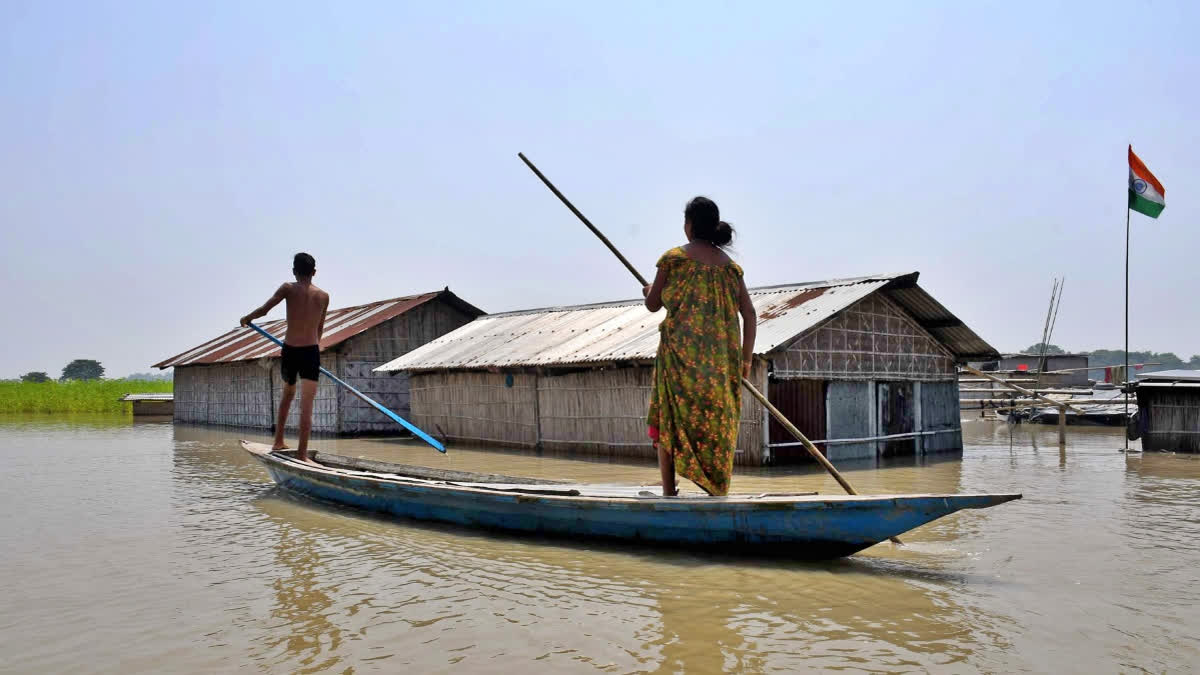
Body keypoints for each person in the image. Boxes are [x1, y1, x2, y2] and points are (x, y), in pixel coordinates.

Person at [643, 197, 756, 496]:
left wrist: (650, 291)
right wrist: (746, 363)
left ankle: (669, 492)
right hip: (720, 367)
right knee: (716, 427)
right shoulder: (731, 269)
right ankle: (715, 491)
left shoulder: (674, 259)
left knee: (669, 421)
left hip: (679, 362)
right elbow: (750, 315)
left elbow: (653, 304)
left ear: (689, 225)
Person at [240, 252, 330, 463]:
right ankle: (302, 454)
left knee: (287, 396)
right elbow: (320, 328)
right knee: (307, 405)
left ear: (293, 271)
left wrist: (247, 318)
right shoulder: (324, 296)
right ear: (314, 272)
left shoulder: (288, 288)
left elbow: (264, 310)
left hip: (290, 350)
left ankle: (278, 441)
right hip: (310, 352)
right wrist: (315, 350)